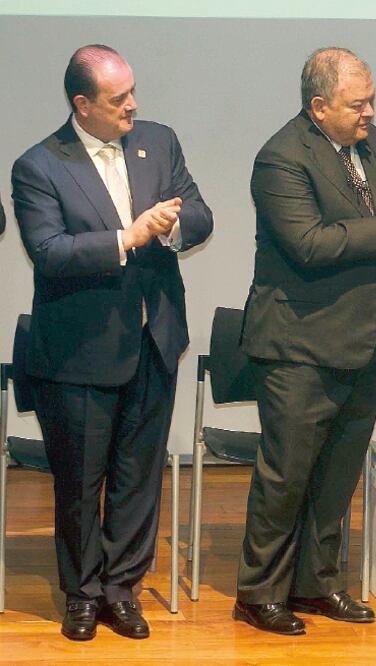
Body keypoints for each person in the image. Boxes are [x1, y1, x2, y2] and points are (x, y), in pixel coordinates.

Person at [10, 44, 213, 641]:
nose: (133, 105)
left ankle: (122, 588)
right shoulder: (39, 165)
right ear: (82, 104)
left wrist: (174, 224)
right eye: (118, 98)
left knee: (137, 477)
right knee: (79, 485)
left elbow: (198, 212)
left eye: (133, 92)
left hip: (154, 336)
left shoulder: (159, 139)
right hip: (79, 352)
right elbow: (48, 253)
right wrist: (126, 236)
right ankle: (82, 593)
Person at [235, 47, 376, 636]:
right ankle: (259, 592)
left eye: (372, 99)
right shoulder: (280, 159)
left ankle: (317, 583)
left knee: (337, 472)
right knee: (286, 474)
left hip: (357, 336)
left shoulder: (370, 143)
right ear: (319, 106)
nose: (370, 112)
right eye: (358, 103)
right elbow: (309, 244)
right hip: (298, 343)